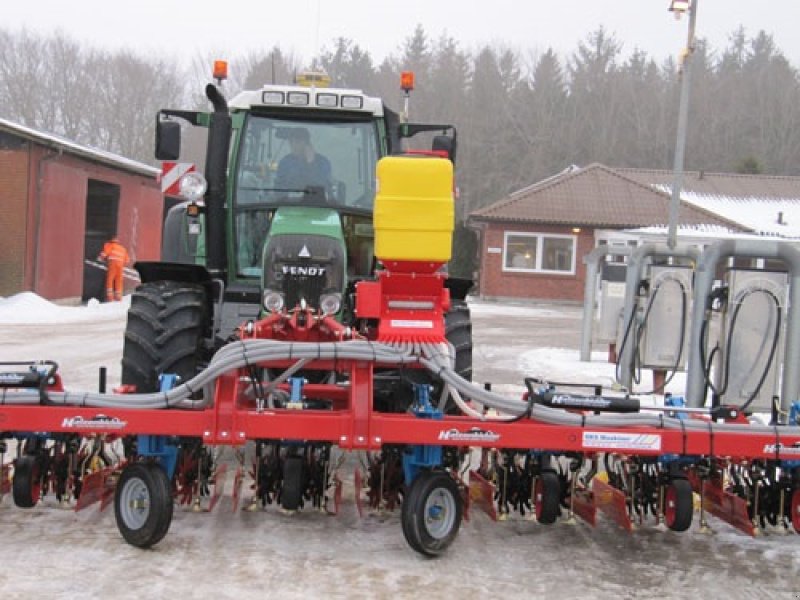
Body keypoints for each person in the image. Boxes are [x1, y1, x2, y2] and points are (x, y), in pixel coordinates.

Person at [275, 127, 331, 191]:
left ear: (307, 144)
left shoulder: (322, 162)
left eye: (297, 142)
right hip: (289, 197)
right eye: (291, 142)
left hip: (314, 197)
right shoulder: (285, 162)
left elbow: (322, 185)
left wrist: (311, 163)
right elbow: (279, 186)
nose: (293, 145)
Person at [98, 236, 130, 302]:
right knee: (119, 280)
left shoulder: (109, 245)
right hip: (120, 265)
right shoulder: (122, 248)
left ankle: (110, 297)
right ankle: (118, 297)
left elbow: (105, 253)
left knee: (110, 279)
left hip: (113, 263)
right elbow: (127, 260)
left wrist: (100, 258)